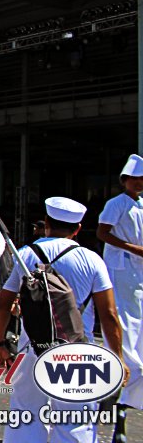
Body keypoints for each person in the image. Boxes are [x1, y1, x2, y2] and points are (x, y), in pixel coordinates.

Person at [0, 196, 126, 443]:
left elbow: (3, 304)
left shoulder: (26, 254)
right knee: (75, 420)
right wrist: (117, 357)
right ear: (77, 229)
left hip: (32, 346)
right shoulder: (91, 259)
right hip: (76, 347)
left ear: (46, 223)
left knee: (26, 413)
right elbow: (108, 315)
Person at [97, 154, 143, 415]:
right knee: (124, 320)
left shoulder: (142, 205)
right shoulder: (116, 204)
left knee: (139, 322)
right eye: (134, 179)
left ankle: (135, 384)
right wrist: (134, 249)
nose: (138, 183)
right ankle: (123, 376)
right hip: (123, 267)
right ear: (125, 180)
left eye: (142, 179)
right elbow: (103, 233)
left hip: (139, 271)